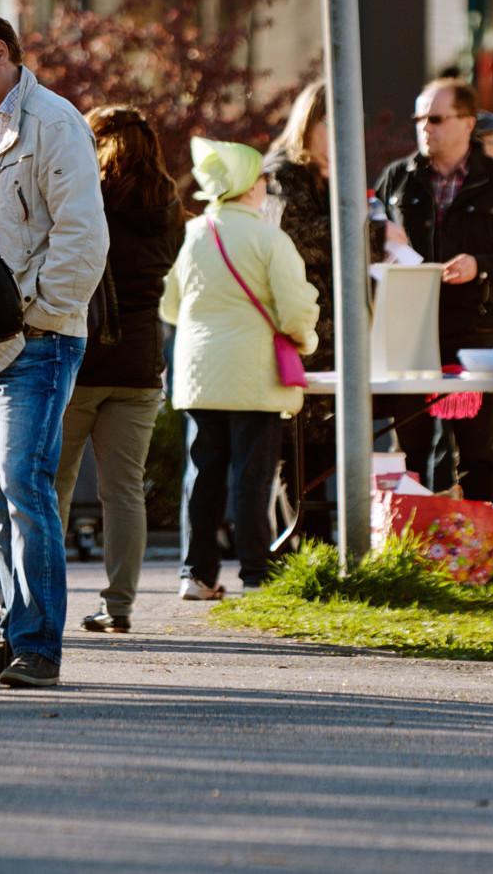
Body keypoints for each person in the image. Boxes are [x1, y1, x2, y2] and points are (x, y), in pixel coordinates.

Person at [0, 7, 106, 691]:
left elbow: (83, 240)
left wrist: (27, 315)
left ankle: (39, 645)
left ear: (1, 51)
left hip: (37, 340)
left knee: (25, 489)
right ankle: (13, 632)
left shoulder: (54, 122)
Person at [160, 139, 320, 598]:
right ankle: (255, 572)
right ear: (252, 186)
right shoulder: (270, 238)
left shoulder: (195, 235)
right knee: (253, 477)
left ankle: (197, 573)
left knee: (202, 476)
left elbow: (171, 305)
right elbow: (294, 309)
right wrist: (304, 341)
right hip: (255, 374)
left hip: (200, 374)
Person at [374, 76, 493, 503]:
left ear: (467, 123)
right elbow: (367, 244)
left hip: (471, 334)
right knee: (410, 452)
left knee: (477, 452)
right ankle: (409, 554)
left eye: (436, 118)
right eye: (420, 118)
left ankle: (477, 560)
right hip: (408, 332)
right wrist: (379, 239)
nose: (426, 127)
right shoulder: (397, 178)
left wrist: (481, 267)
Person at [60, 105, 179, 634]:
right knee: (125, 490)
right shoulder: (168, 205)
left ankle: (41, 606)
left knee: (52, 484)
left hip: (82, 356)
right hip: (139, 362)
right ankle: (119, 605)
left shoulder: (91, 196)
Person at [260, 81, 344, 366]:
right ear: (308, 121)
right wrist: (374, 235)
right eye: (332, 122)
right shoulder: (281, 172)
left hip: (329, 337)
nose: (341, 135)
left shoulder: (331, 174)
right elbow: (295, 238)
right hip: (294, 338)